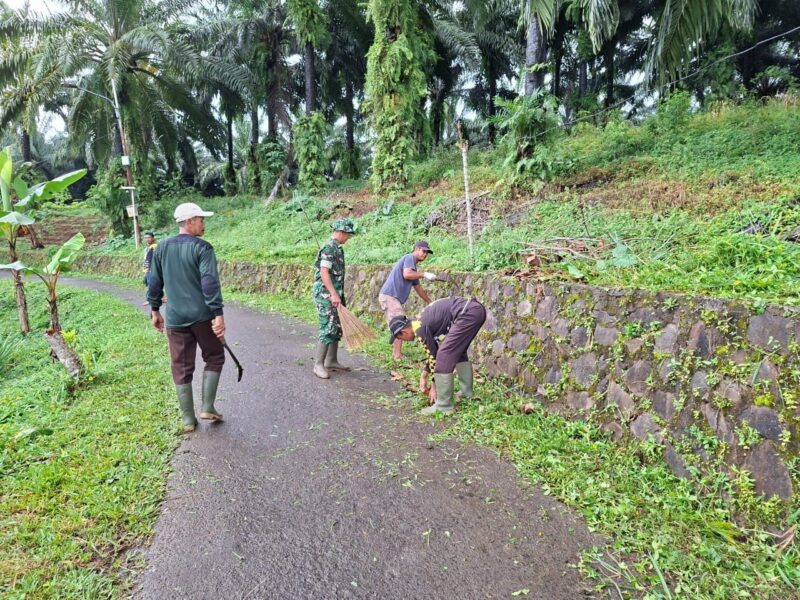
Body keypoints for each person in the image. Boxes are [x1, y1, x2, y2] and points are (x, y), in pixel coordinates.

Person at [147, 202, 226, 433]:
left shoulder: (160, 249)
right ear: (190, 221)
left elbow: (154, 282)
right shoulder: (203, 248)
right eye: (201, 219)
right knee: (214, 356)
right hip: (203, 316)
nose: (203, 223)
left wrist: (154, 310)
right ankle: (208, 406)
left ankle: (188, 420)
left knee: (180, 365)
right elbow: (209, 284)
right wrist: (218, 314)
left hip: (175, 318)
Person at [388, 296, 486, 415]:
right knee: (457, 351)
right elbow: (432, 352)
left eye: (400, 338)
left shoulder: (420, 329)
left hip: (467, 313)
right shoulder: (419, 323)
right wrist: (424, 375)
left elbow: (435, 358)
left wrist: (434, 388)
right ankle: (467, 392)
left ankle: (444, 406)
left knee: (444, 354)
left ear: (404, 332)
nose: (404, 340)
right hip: (473, 310)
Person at [312, 218, 357, 379]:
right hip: (326, 294)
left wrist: (337, 294)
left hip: (335, 293)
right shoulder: (329, 248)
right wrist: (333, 294)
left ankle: (331, 360)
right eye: (347, 234)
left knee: (336, 326)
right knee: (328, 326)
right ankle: (318, 364)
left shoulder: (338, 248)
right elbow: (324, 273)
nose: (348, 238)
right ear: (340, 232)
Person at [379, 241, 435, 360]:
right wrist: (424, 274)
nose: (425, 254)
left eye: (427, 253)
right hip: (390, 296)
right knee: (401, 326)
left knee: (398, 324)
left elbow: (418, 288)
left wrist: (430, 303)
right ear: (416, 249)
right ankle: (397, 355)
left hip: (391, 297)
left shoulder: (413, 267)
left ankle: (396, 353)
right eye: (423, 251)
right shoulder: (409, 258)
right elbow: (407, 274)